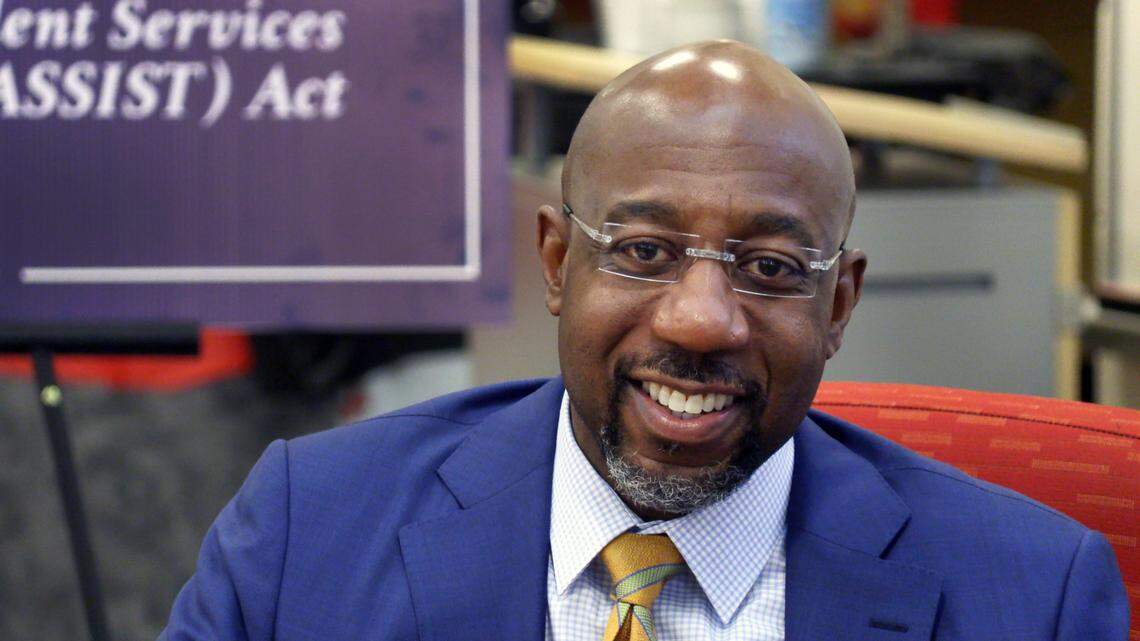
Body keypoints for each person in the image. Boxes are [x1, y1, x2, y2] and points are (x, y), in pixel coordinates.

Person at [160, 41, 1128, 640]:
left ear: (838, 308)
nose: (699, 318)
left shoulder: (1031, 596)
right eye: (644, 249)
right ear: (554, 261)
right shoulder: (307, 534)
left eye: (771, 267)